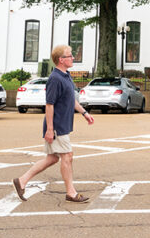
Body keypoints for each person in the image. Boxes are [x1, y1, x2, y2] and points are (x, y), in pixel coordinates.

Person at [13, 45, 94, 203]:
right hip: (57, 126)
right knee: (67, 156)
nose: (72, 58)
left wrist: (84, 113)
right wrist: (50, 130)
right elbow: (49, 105)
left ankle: (21, 181)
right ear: (61, 60)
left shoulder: (66, 76)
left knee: (52, 158)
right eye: (69, 56)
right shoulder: (55, 79)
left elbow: (71, 100)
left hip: (62, 124)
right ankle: (71, 193)